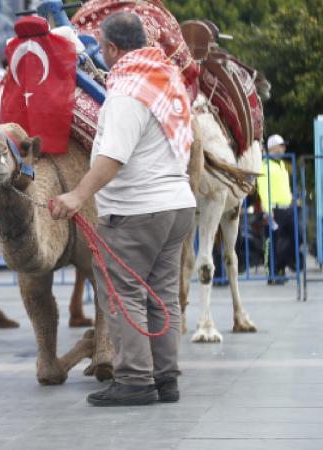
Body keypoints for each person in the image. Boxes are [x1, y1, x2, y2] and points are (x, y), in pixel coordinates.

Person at [48, 12, 196, 406]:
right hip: (175, 206)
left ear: (112, 49)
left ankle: (134, 380)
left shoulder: (129, 89)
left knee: (122, 293)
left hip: (138, 211)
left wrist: (77, 196)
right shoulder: (166, 79)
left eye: (102, 46)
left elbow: (113, 156)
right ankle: (165, 379)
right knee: (161, 296)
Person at [257, 134, 296, 285]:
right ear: (272, 148)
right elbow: (263, 190)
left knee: (293, 238)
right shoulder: (265, 166)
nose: (284, 148)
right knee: (273, 242)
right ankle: (273, 274)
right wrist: (267, 210)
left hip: (287, 208)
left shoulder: (281, 165)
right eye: (281, 146)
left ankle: (281, 267)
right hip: (274, 209)